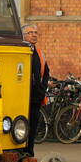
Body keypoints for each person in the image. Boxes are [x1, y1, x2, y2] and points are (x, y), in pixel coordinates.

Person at [24, 23, 49, 154]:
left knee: (32, 128)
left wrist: (42, 88)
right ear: (23, 36)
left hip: (35, 97)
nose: (34, 35)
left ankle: (29, 153)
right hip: (21, 98)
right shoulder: (20, 51)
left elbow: (46, 73)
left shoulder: (39, 53)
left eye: (35, 32)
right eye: (30, 32)